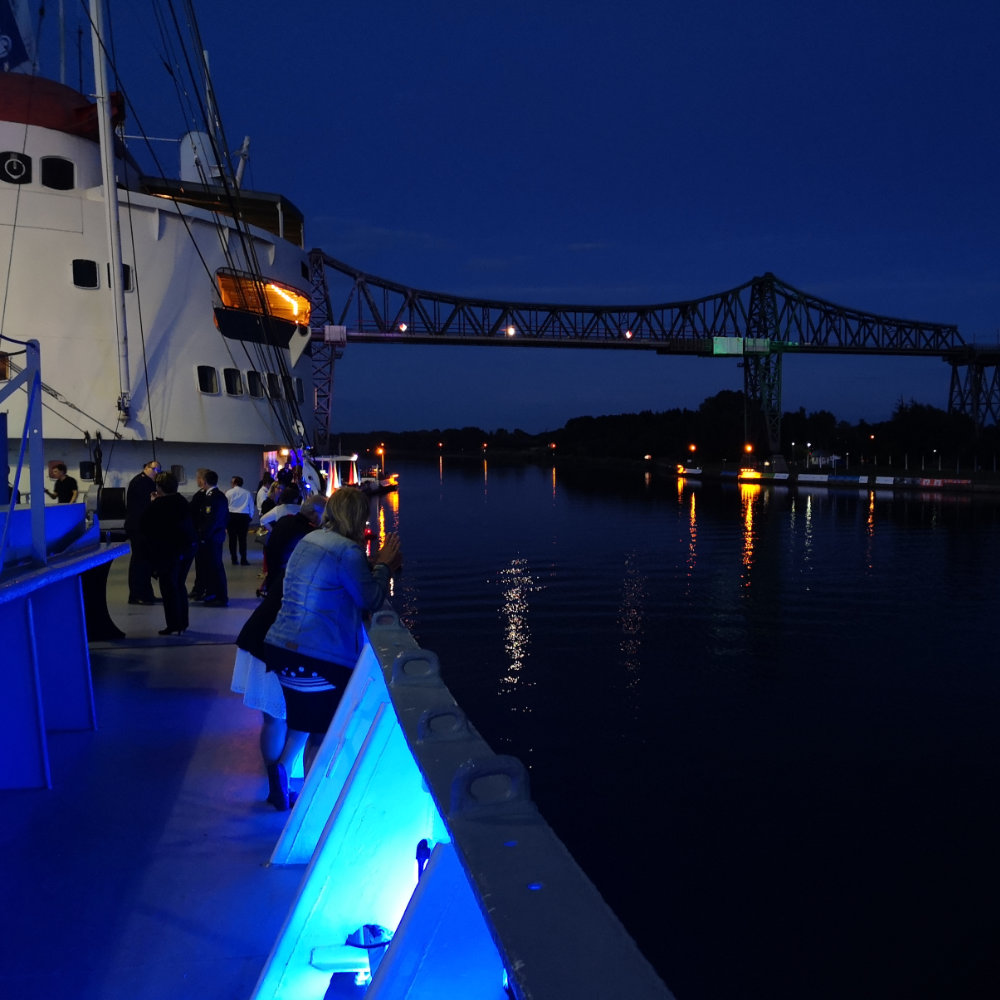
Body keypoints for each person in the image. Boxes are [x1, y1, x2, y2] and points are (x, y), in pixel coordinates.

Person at [261, 487, 402, 810]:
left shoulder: (309, 541)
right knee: (322, 733)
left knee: (302, 721)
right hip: (317, 656)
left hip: (281, 647)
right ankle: (312, 810)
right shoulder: (347, 552)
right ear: (358, 517)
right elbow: (369, 599)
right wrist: (383, 566)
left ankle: (280, 778)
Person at [231, 494, 326, 793]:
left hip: (258, 636)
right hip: (276, 645)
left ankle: (276, 786)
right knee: (299, 717)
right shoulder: (314, 547)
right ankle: (280, 781)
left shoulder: (288, 525)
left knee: (273, 720)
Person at [141, 471, 197, 635]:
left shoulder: (159, 505)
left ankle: (173, 624)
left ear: (159, 488)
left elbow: (145, 525)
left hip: (169, 552)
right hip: (187, 549)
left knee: (168, 587)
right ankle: (182, 623)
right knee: (179, 585)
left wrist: (152, 502)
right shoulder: (182, 501)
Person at [188, 468, 229, 606]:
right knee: (210, 567)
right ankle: (212, 593)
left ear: (204, 481)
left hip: (212, 538)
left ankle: (220, 596)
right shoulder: (213, 496)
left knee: (215, 567)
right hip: (213, 537)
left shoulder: (214, 497)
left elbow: (212, 520)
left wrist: (203, 536)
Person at [124, 458, 161, 605]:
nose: (156, 473)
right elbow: (144, 505)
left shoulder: (147, 482)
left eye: (158, 470)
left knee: (145, 562)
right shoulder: (140, 482)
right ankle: (136, 595)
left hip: (144, 527)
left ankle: (146, 594)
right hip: (138, 527)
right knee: (139, 561)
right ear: (146, 467)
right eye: (154, 469)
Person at [225, 475, 255, 566]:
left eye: (232, 482)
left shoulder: (228, 493)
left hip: (231, 516)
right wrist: (250, 517)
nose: (231, 483)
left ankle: (234, 559)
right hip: (243, 517)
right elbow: (251, 506)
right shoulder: (247, 493)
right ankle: (243, 559)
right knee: (242, 540)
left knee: (232, 540)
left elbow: (225, 506)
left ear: (235, 483)